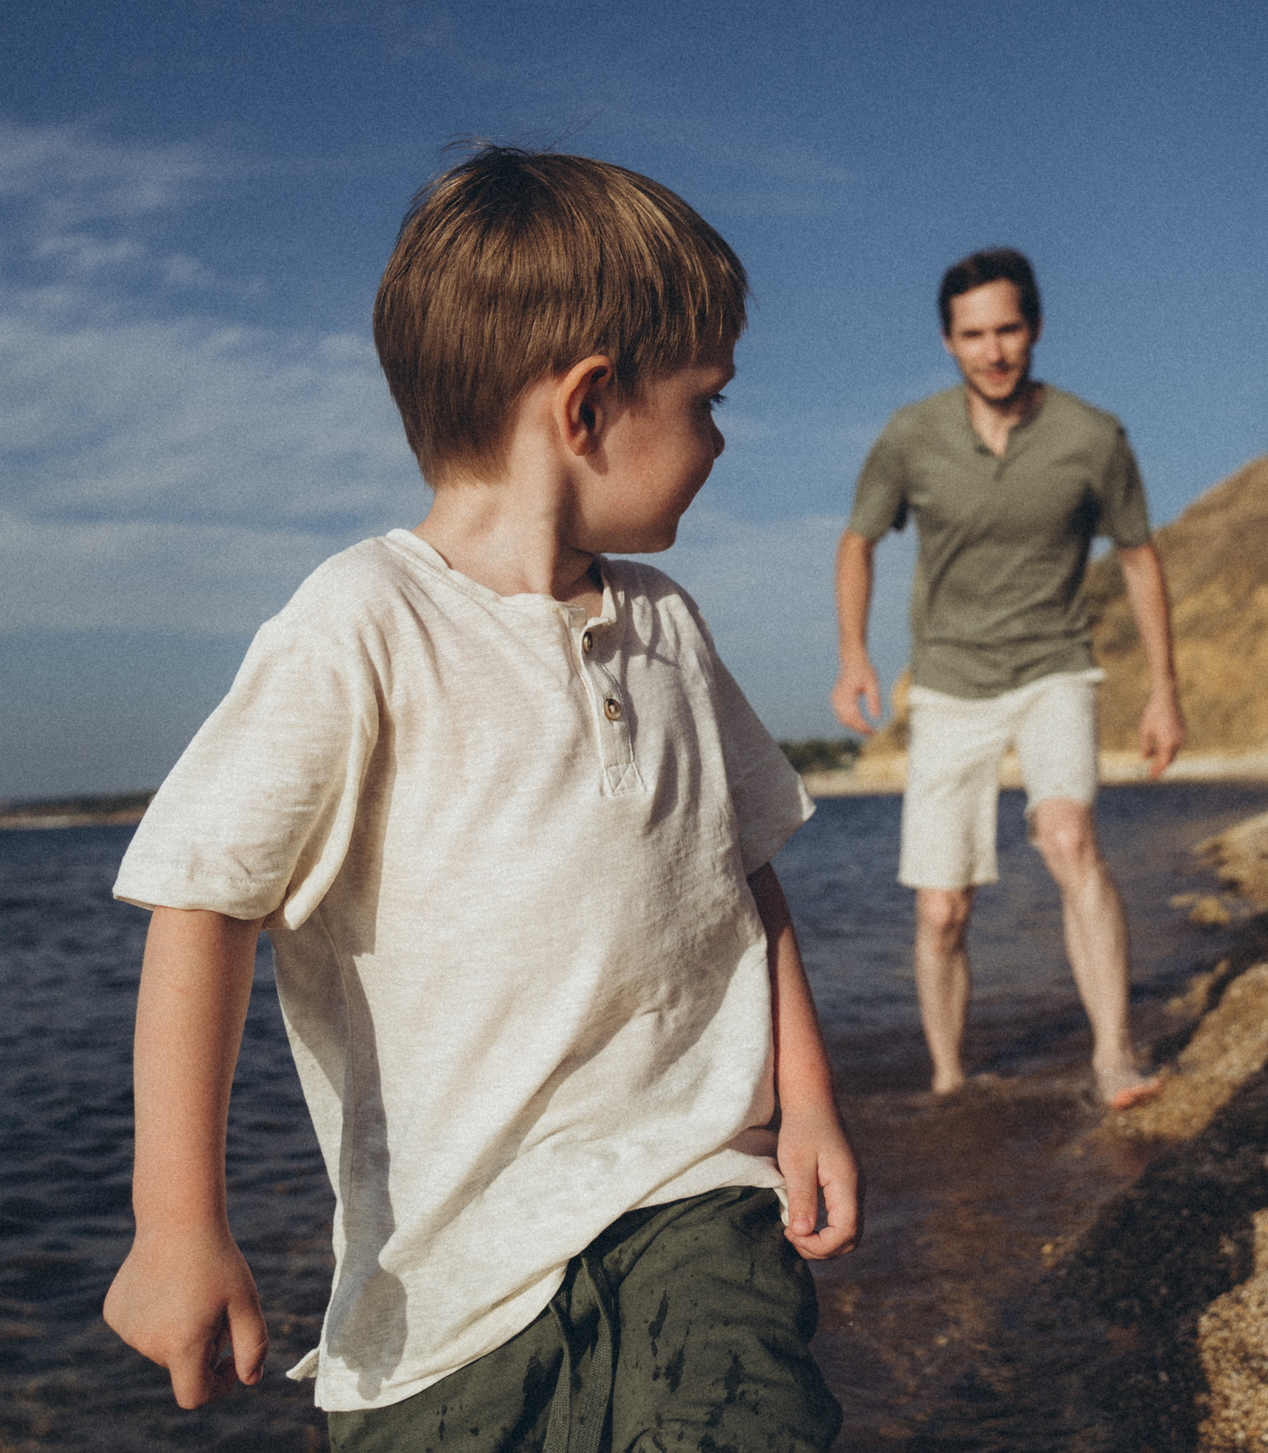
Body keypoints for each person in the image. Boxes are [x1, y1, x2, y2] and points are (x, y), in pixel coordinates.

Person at [102, 146, 857, 1450]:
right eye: (710, 398)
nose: (723, 439)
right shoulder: (366, 623)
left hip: (694, 1184)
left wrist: (809, 1102)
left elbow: (742, 871)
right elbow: (205, 899)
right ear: (589, 407)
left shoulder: (667, 627)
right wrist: (177, 1223)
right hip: (444, 1287)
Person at [831, 247, 1186, 1108]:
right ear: (949, 341)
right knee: (941, 910)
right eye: (974, 335)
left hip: (1054, 666)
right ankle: (950, 1082)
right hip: (950, 682)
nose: (994, 351)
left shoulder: (1092, 436)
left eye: (1010, 330)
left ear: (1035, 328)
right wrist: (853, 654)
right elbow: (858, 541)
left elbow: (1139, 559)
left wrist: (1165, 688)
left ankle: (1113, 1057)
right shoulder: (911, 436)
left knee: (1068, 837)